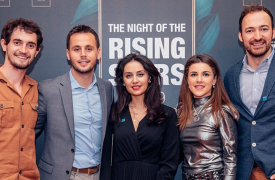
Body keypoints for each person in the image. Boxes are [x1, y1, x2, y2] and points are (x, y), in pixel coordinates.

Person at [35, 25, 113, 180]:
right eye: (77, 49)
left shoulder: (107, 88)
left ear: (98, 53)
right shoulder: (48, 89)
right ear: (68, 54)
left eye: (89, 49)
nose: (83, 54)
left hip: (98, 175)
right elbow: (28, 133)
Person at [224, 4, 275, 180]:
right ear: (241, 36)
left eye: (264, 29)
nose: (257, 36)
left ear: (273, 33)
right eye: (250, 30)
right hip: (243, 172)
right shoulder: (231, 76)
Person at [110, 52, 179, 180]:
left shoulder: (167, 115)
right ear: (123, 81)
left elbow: (170, 163)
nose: (135, 80)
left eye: (140, 74)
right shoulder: (114, 112)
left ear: (150, 78)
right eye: (128, 76)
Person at [177, 54, 238, 180]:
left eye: (205, 74)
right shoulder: (181, 112)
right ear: (187, 80)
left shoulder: (221, 112)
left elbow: (231, 158)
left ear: (214, 80)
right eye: (194, 74)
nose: (199, 80)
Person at [0, 18, 43, 180]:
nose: (23, 50)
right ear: (4, 45)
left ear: (37, 51)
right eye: (17, 43)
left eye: (30, 45)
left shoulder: (37, 90)